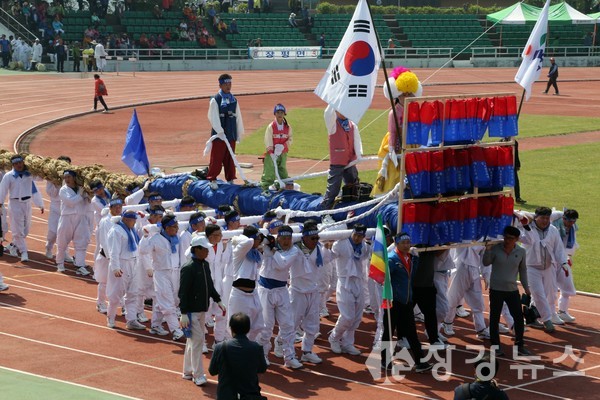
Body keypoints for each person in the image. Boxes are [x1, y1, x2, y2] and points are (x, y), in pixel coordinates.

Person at [381, 233, 432, 373]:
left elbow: (412, 277)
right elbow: (383, 279)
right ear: (397, 244)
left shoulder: (410, 258)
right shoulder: (392, 259)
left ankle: (420, 362)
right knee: (389, 331)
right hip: (394, 302)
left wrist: (415, 260)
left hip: (407, 301)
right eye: (403, 242)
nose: (406, 245)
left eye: (408, 242)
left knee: (412, 333)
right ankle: (384, 360)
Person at [179, 234, 226, 387]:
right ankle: (198, 375)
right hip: (191, 312)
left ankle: (187, 371)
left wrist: (218, 299)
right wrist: (184, 313)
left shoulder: (204, 265)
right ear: (196, 249)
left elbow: (210, 286)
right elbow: (183, 292)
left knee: (192, 342)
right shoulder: (188, 268)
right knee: (198, 341)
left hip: (201, 310)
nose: (208, 251)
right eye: (205, 249)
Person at [518, 207, 569, 333]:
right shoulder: (526, 227)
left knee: (546, 295)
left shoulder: (553, 230)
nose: (545, 221)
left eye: (547, 218)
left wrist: (563, 262)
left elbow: (558, 248)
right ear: (536, 217)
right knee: (539, 294)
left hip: (548, 267)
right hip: (530, 267)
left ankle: (531, 316)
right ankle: (547, 320)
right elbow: (518, 217)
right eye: (542, 218)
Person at [372, 67, 422, 196]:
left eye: (410, 94)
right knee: (396, 170)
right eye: (404, 94)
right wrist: (392, 149)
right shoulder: (393, 112)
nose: (407, 97)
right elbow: (393, 132)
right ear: (397, 95)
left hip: (411, 142)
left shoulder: (414, 109)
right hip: (398, 144)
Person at [483, 226, 531, 357]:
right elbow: (486, 263)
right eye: (506, 237)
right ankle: (495, 346)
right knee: (494, 317)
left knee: (519, 318)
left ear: (516, 239)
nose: (507, 240)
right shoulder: (495, 248)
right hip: (496, 289)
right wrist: (487, 250)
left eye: (511, 238)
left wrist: (527, 288)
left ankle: (520, 344)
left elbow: (523, 270)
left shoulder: (521, 252)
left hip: (512, 290)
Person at [328, 224, 371, 356]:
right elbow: (329, 256)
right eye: (356, 235)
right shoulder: (341, 244)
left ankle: (347, 343)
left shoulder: (365, 247)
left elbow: (369, 255)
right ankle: (334, 337)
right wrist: (326, 247)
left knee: (357, 316)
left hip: (358, 281)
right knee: (347, 316)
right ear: (352, 233)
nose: (357, 238)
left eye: (360, 236)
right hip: (345, 282)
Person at [209, 312, 268, 399]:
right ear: (248, 329)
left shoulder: (220, 347)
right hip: (249, 396)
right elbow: (262, 369)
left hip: (226, 396)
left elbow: (212, 371)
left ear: (231, 328)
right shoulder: (257, 348)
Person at [0, 154, 45, 262]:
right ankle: (24, 252)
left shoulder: (29, 174)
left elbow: (38, 182)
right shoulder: (9, 176)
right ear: (13, 165)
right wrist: (0, 203)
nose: (18, 165)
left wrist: (40, 204)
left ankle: (13, 245)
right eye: (16, 164)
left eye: (20, 163)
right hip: (15, 204)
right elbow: (3, 190)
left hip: (27, 203)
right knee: (17, 230)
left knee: (26, 230)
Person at [106, 210, 145, 330]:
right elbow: (113, 251)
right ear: (127, 219)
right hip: (122, 265)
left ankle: (131, 319)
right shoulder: (116, 231)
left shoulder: (130, 230)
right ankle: (111, 317)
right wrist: (115, 267)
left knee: (133, 293)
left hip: (133, 263)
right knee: (116, 293)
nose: (135, 223)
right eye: (134, 220)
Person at [205, 73, 245, 190]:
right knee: (217, 158)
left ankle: (230, 179)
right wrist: (219, 131)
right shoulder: (215, 100)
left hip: (231, 134)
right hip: (220, 136)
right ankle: (212, 178)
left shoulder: (234, 100)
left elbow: (238, 117)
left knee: (230, 158)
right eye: (226, 84)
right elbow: (212, 117)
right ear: (220, 85)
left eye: (230, 83)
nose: (228, 86)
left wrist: (238, 133)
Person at [320, 105, 362, 209]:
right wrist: (333, 101)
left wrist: (359, 154)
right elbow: (327, 114)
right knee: (333, 188)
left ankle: (353, 206)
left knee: (353, 184)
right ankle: (325, 210)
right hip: (337, 162)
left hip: (350, 161)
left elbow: (357, 140)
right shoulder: (333, 125)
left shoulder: (352, 125)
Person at [55, 170, 92, 275]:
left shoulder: (82, 189)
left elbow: (89, 202)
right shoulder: (63, 190)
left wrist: (88, 194)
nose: (67, 179)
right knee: (62, 241)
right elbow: (70, 202)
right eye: (65, 177)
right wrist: (81, 195)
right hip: (67, 217)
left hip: (81, 218)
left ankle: (80, 265)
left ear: (74, 178)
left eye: (69, 177)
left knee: (82, 242)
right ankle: (60, 263)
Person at [551, 209, 579, 323]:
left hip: (564, 260)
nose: (572, 223)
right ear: (564, 218)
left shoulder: (573, 228)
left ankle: (562, 312)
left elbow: (571, 244)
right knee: (550, 289)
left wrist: (568, 257)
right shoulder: (554, 226)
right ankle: (547, 314)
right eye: (570, 221)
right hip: (551, 261)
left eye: (574, 221)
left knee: (567, 286)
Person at [260, 103, 293, 192]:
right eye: (278, 112)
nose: (280, 114)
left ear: (284, 114)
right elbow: (268, 139)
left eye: (281, 112)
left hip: (283, 153)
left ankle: (282, 186)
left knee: (282, 169)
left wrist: (283, 146)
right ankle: (265, 187)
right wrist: (271, 152)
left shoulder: (288, 127)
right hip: (272, 153)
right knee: (269, 170)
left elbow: (290, 139)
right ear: (275, 114)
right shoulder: (271, 127)